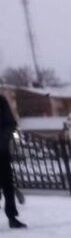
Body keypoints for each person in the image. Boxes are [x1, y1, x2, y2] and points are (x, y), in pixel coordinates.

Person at [1, 94, 26, 229]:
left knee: (7, 185)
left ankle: (12, 217)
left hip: (1, 151)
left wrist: (3, 141)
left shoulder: (1, 101)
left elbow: (10, 124)